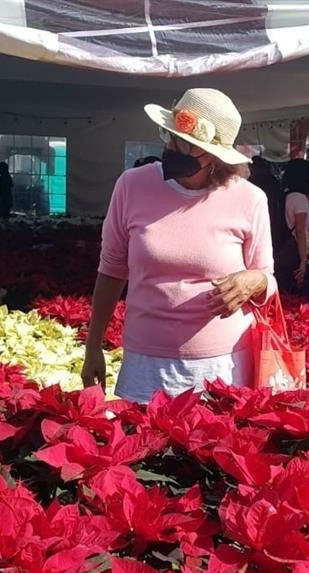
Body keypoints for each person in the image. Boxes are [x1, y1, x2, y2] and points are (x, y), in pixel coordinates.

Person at [81, 88, 277, 403]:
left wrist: (254, 280)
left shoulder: (250, 199)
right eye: (170, 137)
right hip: (146, 363)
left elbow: (266, 278)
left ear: (214, 156)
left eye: (186, 144)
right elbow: (111, 270)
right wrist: (93, 347)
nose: (173, 148)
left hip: (222, 365)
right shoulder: (132, 185)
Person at [274, 158, 309, 306]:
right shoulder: (299, 198)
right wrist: (303, 262)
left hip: (282, 252)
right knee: (303, 302)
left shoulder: (284, 195)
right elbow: (300, 232)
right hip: (294, 254)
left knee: (286, 298)